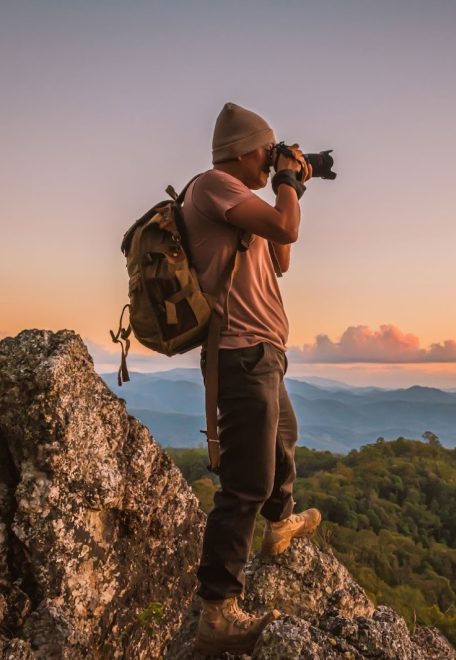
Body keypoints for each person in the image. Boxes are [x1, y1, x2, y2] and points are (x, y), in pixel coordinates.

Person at [181, 101, 322, 655]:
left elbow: (282, 254)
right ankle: (217, 610)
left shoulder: (242, 205)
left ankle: (280, 526)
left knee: (285, 438)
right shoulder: (212, 186)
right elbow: (286, 224)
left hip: (266, 351)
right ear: (241, 151)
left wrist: (293, 187)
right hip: (240, 354)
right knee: (246, 483)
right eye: (266, 152)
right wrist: (284, 183)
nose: (270, 160)